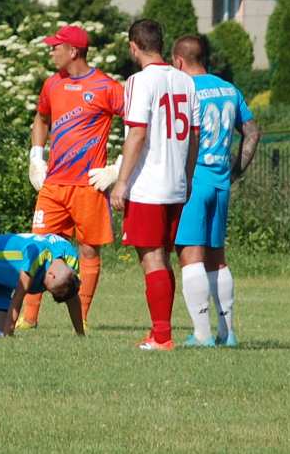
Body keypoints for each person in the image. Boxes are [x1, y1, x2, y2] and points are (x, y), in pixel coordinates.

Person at [20, 25, 124, 330]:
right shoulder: (52, 84)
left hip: (88, 186)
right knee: (38, 247)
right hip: (53, 185)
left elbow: (135, 121)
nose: (51, 51)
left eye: (56, 47)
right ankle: (29, 317)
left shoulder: (106, 86)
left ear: (73, 51)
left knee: (89, 249)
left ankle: (84, 318)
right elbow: (41, 119)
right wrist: (36, 157)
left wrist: (117, 168)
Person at [109, 19, 200, 351]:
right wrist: (187, 177)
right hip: (176, 183)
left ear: (134, 46)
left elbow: (137, 132)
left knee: (152, 258)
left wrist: (121, 183)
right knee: (163, 257)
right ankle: (160, 331)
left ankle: (162, 336)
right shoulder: (186, 82)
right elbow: (194, 135)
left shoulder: (137, 81)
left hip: (149, 185)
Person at [171, 36, 260, 348]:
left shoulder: (185, 89)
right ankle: (227, 332)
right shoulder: (228, 89)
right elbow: (252, 132)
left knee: (190, 255)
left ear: (179, 61)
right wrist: (235, 171)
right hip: (221, 181)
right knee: (217, 258)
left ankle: (201, 334)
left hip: (194, 181)